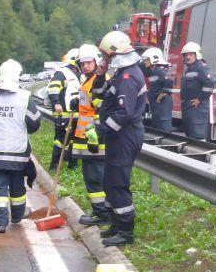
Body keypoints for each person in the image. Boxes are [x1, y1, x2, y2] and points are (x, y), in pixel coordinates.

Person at [82, 31, 148, 246]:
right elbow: (100, 93)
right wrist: (101, 74)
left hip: (125, 136)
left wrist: (101, 130)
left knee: (118, 182)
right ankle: (115, 224)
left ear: (114, 54)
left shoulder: (128, 77)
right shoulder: (121, 74)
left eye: (104, 55)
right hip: (118, 136)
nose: (103, 59)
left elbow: (124, 113)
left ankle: (126, 232)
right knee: (109, 181)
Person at [0, 59, 41, 233]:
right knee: (17, 185)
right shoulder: (25, 97)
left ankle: (0, 223)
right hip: (18, 152)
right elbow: (34, 122)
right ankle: (17, 215)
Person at [71, 44, 110, 225]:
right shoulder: (87, 81)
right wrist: (77, 102)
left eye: (88, 62)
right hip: (87, 137)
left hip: (96, 138)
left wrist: (96, 135)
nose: (85, 66)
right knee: (91, 177)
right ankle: (99, 211)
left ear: (96, 61)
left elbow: (103, 110)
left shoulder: (99, 80)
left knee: (95, 178)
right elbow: (88, 105)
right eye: (82, 63)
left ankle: (102, 214)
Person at [47, 48, 81, 170]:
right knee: (61, 140)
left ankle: (73, 164)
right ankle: (54, 165)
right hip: (64, 114)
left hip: (76, 114)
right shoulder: (62, 73)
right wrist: (56, 103)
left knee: (74, 140)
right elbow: (53, 88)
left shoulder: (77, 75)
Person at [179, 41, 215, 140]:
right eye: (186, 55)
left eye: (190, 54)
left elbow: (210, 82)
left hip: (198, 108)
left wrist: (200, 99)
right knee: (190, 134)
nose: (188, 57)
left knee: (197, 135)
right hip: (189, 107)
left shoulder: (201, 68)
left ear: (197, 55)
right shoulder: (189, 69)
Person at [141, 47, 174, 132]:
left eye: (146, 59)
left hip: (163, 106)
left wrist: (161, 95)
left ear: (154, 59)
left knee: (164, 130)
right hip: (157, 106)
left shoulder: (159, 71)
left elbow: (169, 81)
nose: (145, 62)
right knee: (157, 129)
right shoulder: (154, 71)